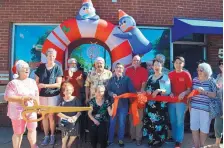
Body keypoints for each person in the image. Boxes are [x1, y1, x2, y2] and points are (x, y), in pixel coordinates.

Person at [4, 60, 39, 148]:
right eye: (24, 69)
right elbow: (7, 97)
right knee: (18, 132)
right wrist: (23, 98)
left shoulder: (32, 81)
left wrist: (38, 106)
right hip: (17, 112)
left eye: (28, 68)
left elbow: (36, 94)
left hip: (31, 110)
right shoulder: (13, 83)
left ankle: (33, 146)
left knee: (32, 129)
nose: (27, 70)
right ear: (19, 71)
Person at [35, 48, 63, 146]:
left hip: (53, 96)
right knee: (44, 116)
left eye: (53, 56)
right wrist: (38, 87)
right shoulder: (41, 67)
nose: (51, 57)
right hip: (42, 96)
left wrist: (45, 86)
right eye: (49, 55)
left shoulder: (58, 68)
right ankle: (46, 136)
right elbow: (36, 82)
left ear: (55, 57)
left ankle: (52, 136)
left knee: (51, 116)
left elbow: (58, 84)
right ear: (46, 56)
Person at [142, 58, 171, 147]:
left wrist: (158, 90)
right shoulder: (150, 77)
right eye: (155, 65)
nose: (156, 67)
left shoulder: (165, 77)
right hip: (150, 105)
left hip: (160, 106)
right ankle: (151, 139)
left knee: (159, 123)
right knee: (150, 123)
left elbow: (168, 91)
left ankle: (159, 140)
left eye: (158, 65)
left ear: (161, 66)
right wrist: (147, 91)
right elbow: (146, 89)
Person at [107, 63, 136, 147]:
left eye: (121, 68)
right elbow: (108, 90)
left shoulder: (127, 79)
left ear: (123, 70)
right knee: (112, 122)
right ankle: (110, 140)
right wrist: (112, 94)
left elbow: (131, 91)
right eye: (117, 68)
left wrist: (133, 94)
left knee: (122, 123)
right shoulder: (111, 79)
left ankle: (120, 139)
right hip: (113, 105)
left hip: (123, 104)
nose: (119, 69)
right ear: (115, 70)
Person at [190, 62, 217, 148]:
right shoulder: (194, 80)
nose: (199, 71)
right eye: (198, 69)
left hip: (206, 109)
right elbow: (190, 93)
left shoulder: (211, 81)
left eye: (201, 70)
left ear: (206, 71)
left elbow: (215, 94)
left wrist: (204, 92)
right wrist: (190, 106)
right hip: (194, 108)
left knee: (204, 129)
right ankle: (196, 145)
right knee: (194, 127)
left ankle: (201, 145)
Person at [168, 56, 192, 148]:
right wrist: (169, 92)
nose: (178, 65)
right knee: (173, 120)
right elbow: (166, 88)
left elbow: (189, 89)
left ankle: (179, 140)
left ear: (183, 64)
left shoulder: (186, 74)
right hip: (171, 101)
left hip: (181, 101)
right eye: (176, 63)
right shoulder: (170, 74)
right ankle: (174, 137)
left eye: (180, 63)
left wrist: (184, 92)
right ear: (173, 64)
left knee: (179, 121)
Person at [125, 55, 148, 146]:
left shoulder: (143, 70)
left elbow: (144, 84)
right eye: (134, 60)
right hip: (130, 98)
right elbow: (127, 83)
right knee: (131, 119)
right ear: (132, 61)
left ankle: (138, 138)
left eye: (138, 60)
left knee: (139, 119)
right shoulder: (128, 70)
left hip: (139, 98)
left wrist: (140, 94)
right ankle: (132, 137)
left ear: (140, 62)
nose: (136, 62)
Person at [57, 82, 81, 148]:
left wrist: (75, 117)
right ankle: (64, 145)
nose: (69, 91)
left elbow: (79, 111)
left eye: (70, 90)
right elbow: (58, 113)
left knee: (74, 133)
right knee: (65, 134)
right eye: (67, 90)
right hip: (64, 119)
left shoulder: (76, 99)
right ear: (63, 91)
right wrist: (68, 118)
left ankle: (69, 145)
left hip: (74, 119)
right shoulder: (61, 99)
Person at [212, 60, 223, 148]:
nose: (222, 65)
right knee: (218, 125)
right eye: (221, 64)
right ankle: (217, 144)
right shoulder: (218, 76)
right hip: (219, 104)